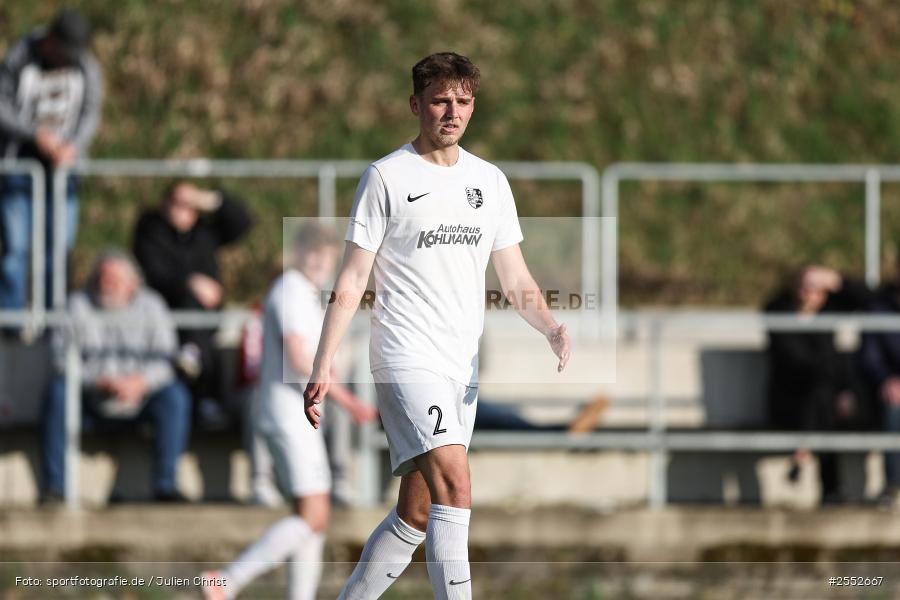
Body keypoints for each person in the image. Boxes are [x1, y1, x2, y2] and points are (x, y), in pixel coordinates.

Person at [303, 52, 571, 600]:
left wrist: (549, 326)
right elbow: (353, 276)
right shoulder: (386, 176)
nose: (453, 112)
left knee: (419, 512)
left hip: (459, 364)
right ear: (415, 105)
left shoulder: (489, 181)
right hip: (405, 357)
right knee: (457, 481)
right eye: (441, 101)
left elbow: (514, 273)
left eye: (464, 101)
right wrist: (322, 362)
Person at [200, 222, 376, 600]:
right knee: (316, 514)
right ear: (298, 253)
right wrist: (349, 402)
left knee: (311, 518)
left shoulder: (305, 293)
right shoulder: (291, 290)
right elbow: (299, 358)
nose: (319, 261)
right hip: (287, 416)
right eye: (313, 252)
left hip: (293, 416)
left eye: (326, 255)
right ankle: (227, 581)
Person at [41, 250, 190, 503]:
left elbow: (167, 360)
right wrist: (99, 380)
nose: (105, 284)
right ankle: (55, 487)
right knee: (58, 392)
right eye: (101, 277)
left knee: (175, 396)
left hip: (141, 397)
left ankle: (165, 485)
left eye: (113, 279)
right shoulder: (76, 305)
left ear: (133, 283)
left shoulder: (152, 306)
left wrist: (140, 383)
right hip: (91, 397)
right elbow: (60, 358)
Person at [0, 8, 103, 311]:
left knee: (58, 250)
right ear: (50, 39)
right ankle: (12, 323)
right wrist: (35, 135)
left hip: (63, 172)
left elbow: (91, 111)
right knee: (15, 248)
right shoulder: (20, 57)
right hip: (18, 168)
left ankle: (52, 321)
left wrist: (73, 147)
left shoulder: (85, 64)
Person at [133, 181, 253, 429]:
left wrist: (209, 199)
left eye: (190, 205)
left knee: (202, 346)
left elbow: (242, 222)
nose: (183, 210)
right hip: (166, 313)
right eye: (178, 203)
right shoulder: (151, 229)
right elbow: (154, 271)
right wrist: (189, 282)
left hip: (208, 318)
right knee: (198, 339)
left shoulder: (204, 232)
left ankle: (197, 371)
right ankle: (204, 399)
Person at [765, 265, 869, 504]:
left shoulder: (827, 312)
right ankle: (831, 490)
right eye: (805, 287)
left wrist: (837, 280)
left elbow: (869, 300)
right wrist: (839, 387)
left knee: (823, 402)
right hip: (789, 400)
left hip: (821, 402)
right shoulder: (779, 313)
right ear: (794, 288)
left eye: (817, 289)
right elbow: (796, 362)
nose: (810, 294)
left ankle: (803, 453)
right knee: (823, 404)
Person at [859, 261, 900, 506]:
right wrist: (886, 379)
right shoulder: (878, 310)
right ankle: (894, 486)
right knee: (894, 406)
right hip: (890, 389)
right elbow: (869, 358)